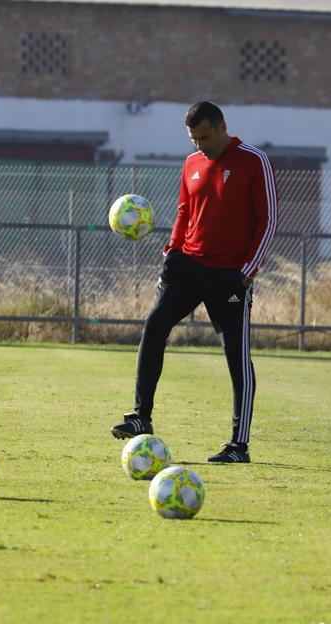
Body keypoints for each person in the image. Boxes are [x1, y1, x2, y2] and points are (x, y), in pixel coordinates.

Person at [111, 101, 278, 463]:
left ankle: (238, 446)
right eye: (193, 139)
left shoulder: (254, 161)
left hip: (230, 276)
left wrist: (247, 272)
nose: (199, 145)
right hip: (186, 266)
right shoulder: (191, 164)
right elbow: (185, 211)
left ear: (222, 127)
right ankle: (141, 417)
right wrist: (172, 251)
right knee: (154, 326)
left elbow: (269, 220)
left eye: (204, 137)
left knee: (236, 356)